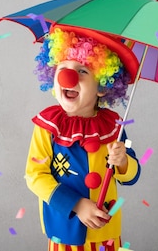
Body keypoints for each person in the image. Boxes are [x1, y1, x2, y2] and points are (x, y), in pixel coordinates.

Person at [25, 25, 141, 251]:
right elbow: (34, 176)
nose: (69, 77)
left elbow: (132, 176)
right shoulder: (48, 125)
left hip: (105, 230)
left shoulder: (114, 126)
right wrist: (77, 205)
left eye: (83, 71)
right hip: (65, 229)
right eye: (64, 67)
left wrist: (124, 162)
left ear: (102, 86)